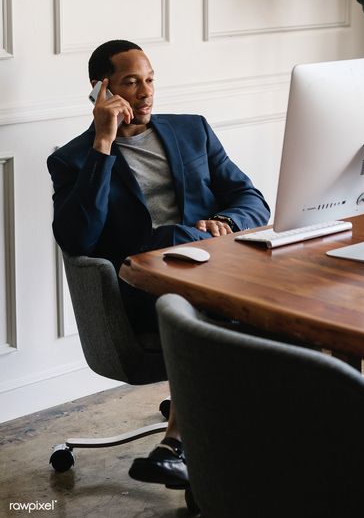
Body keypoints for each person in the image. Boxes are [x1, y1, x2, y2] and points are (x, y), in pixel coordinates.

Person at [47, 39, 270, 489]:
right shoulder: (73, 160)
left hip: (215, 273)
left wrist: (225, 221)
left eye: (149, 80)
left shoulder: (193, 131)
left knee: (225, 296)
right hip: (139, 288)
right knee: (175, 246)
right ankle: (195, 440)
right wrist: (103, 144)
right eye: (130, 82)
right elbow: (77, 237)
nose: (145, 92)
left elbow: (252, 200)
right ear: (101, 90)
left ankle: (179, 443)